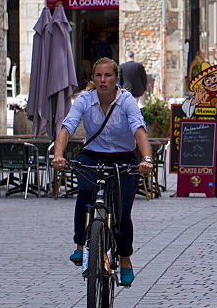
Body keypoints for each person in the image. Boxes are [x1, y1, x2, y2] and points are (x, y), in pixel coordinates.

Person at [51, 58, 153, 287]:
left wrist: (146, 159)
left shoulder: (126, 100)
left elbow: (138, 130)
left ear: (116, 79)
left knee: (122, 210)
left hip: (124, 158)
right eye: (98, 75)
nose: (103, 80)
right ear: (93, 78)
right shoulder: (85, 99)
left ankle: (125, 259)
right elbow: (67, 127)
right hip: (93, 155)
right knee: (85, 192)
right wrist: (58, 155)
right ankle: (80, 245)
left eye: (107, 75)